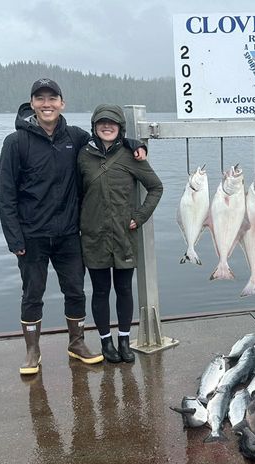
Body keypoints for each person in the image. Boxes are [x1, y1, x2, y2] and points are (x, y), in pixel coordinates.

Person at [0, 79, 147, 375]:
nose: (46, 104)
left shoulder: (75, 137)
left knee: (76, 292)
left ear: (62, 103)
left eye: (52, 98)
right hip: (32, 235)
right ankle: (32, 352)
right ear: (32, 104)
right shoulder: (15, 142)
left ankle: (76, 343)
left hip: (69, 234)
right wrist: (14, 237)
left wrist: (134, 144)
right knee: (32, 294)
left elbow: (107, 141)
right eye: (40, 99)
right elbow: (6, 194)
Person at [77, 104, 163, 363]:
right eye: (102, 122)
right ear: (94, 126)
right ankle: (106, 343)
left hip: (124, 235)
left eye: (112, 123)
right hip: (93, 237)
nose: (107, 126)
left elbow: (156, 187)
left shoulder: (131, 155)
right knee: (100, 291)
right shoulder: (82, 155)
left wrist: (139, 216)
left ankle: (124, 339)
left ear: (120, 127)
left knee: (124, 289)